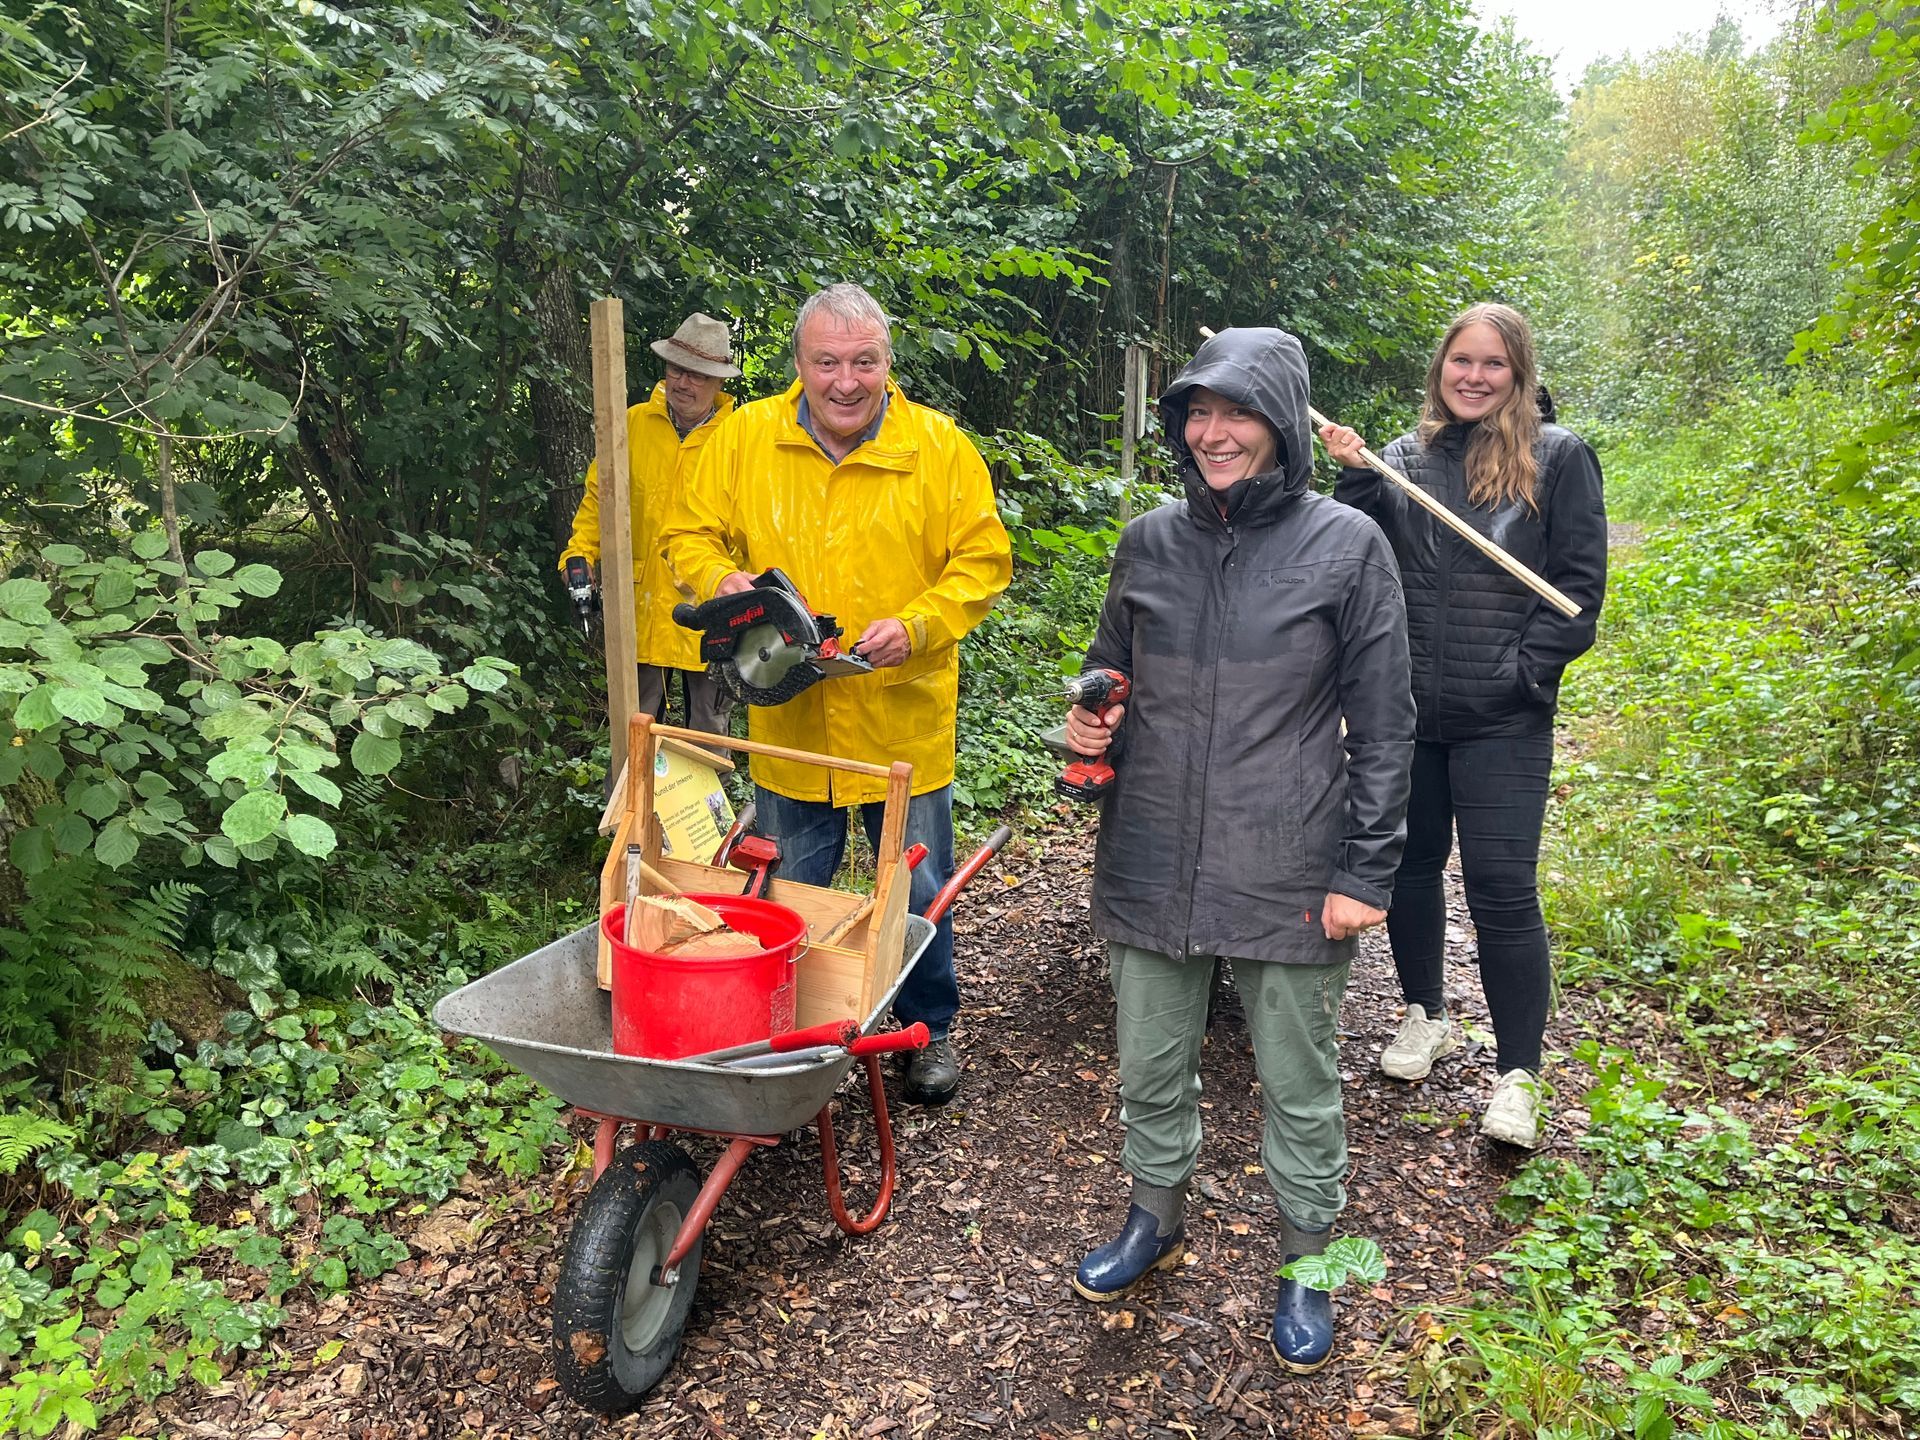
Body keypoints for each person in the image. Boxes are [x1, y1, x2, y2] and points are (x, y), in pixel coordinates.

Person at [1065, 327, 1414, 1375]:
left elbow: (1386, 725)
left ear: (1285, 424)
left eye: (1239, 413)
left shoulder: (1348, 546)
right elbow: (1108, 670)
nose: (1214, 434)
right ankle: (1154, 1214)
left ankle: (1313, 1256)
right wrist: (1090, 723)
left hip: (1287, 856)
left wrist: (1365, 871)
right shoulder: (1148, 542)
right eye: (1198, 414)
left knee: (1300, 1082)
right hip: (1151, 848)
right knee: (1149, 1062)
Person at [661, 283, 1012, 1106]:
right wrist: (723, 582)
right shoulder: (745, 437)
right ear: (799, 364)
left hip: (901, 720)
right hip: (789, 715)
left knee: (917, 891)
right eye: (826, 362)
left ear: (888, 362)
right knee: (789, 888)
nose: (845, 382)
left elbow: (983, 561)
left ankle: (927, 1028)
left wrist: (919, 625)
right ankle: (787, 1032)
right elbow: (687, 533)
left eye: (863, 362)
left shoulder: (939, 447)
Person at [1319, 302, 1607, 1150]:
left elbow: (1579, 591)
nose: (1474, 377)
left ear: (1518, 374)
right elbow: (1356, 562)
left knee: (1502, 889)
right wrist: (1357, 477)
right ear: (1439, 368)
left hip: (1503, 720)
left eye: (1493, 364)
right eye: (1461, 361)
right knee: (1410, 869)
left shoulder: (1559, 457)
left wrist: (1524, 674)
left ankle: (1518, 1075)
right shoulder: (1402, 458)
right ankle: (1425, 1013)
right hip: (1409, 716)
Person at [560, 312, 740, 737]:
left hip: (710, 610)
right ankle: (631, 787)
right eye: (677, 369)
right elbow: (599, 500)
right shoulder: (631, 424)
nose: (683, 383)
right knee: (633, 735)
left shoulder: (739, 437)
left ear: (719, 382)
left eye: (698, 374)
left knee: (707, 738)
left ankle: (704, 786)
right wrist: (578, 556)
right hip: (639, 613)